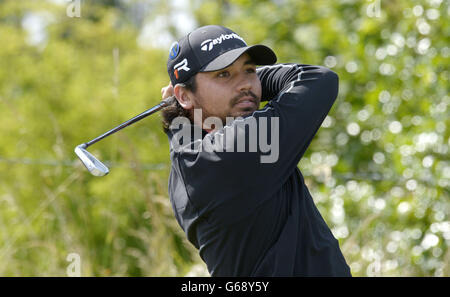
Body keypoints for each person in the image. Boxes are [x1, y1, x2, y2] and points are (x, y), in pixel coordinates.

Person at [160, 25, 351, 276]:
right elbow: (318, 80)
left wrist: (178, 111)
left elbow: (187, 125)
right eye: (223, 75)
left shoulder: (189, 155)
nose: (245, 85)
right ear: (185, 96)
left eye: (249, 70)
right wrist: (252, 81)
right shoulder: (234, 152)